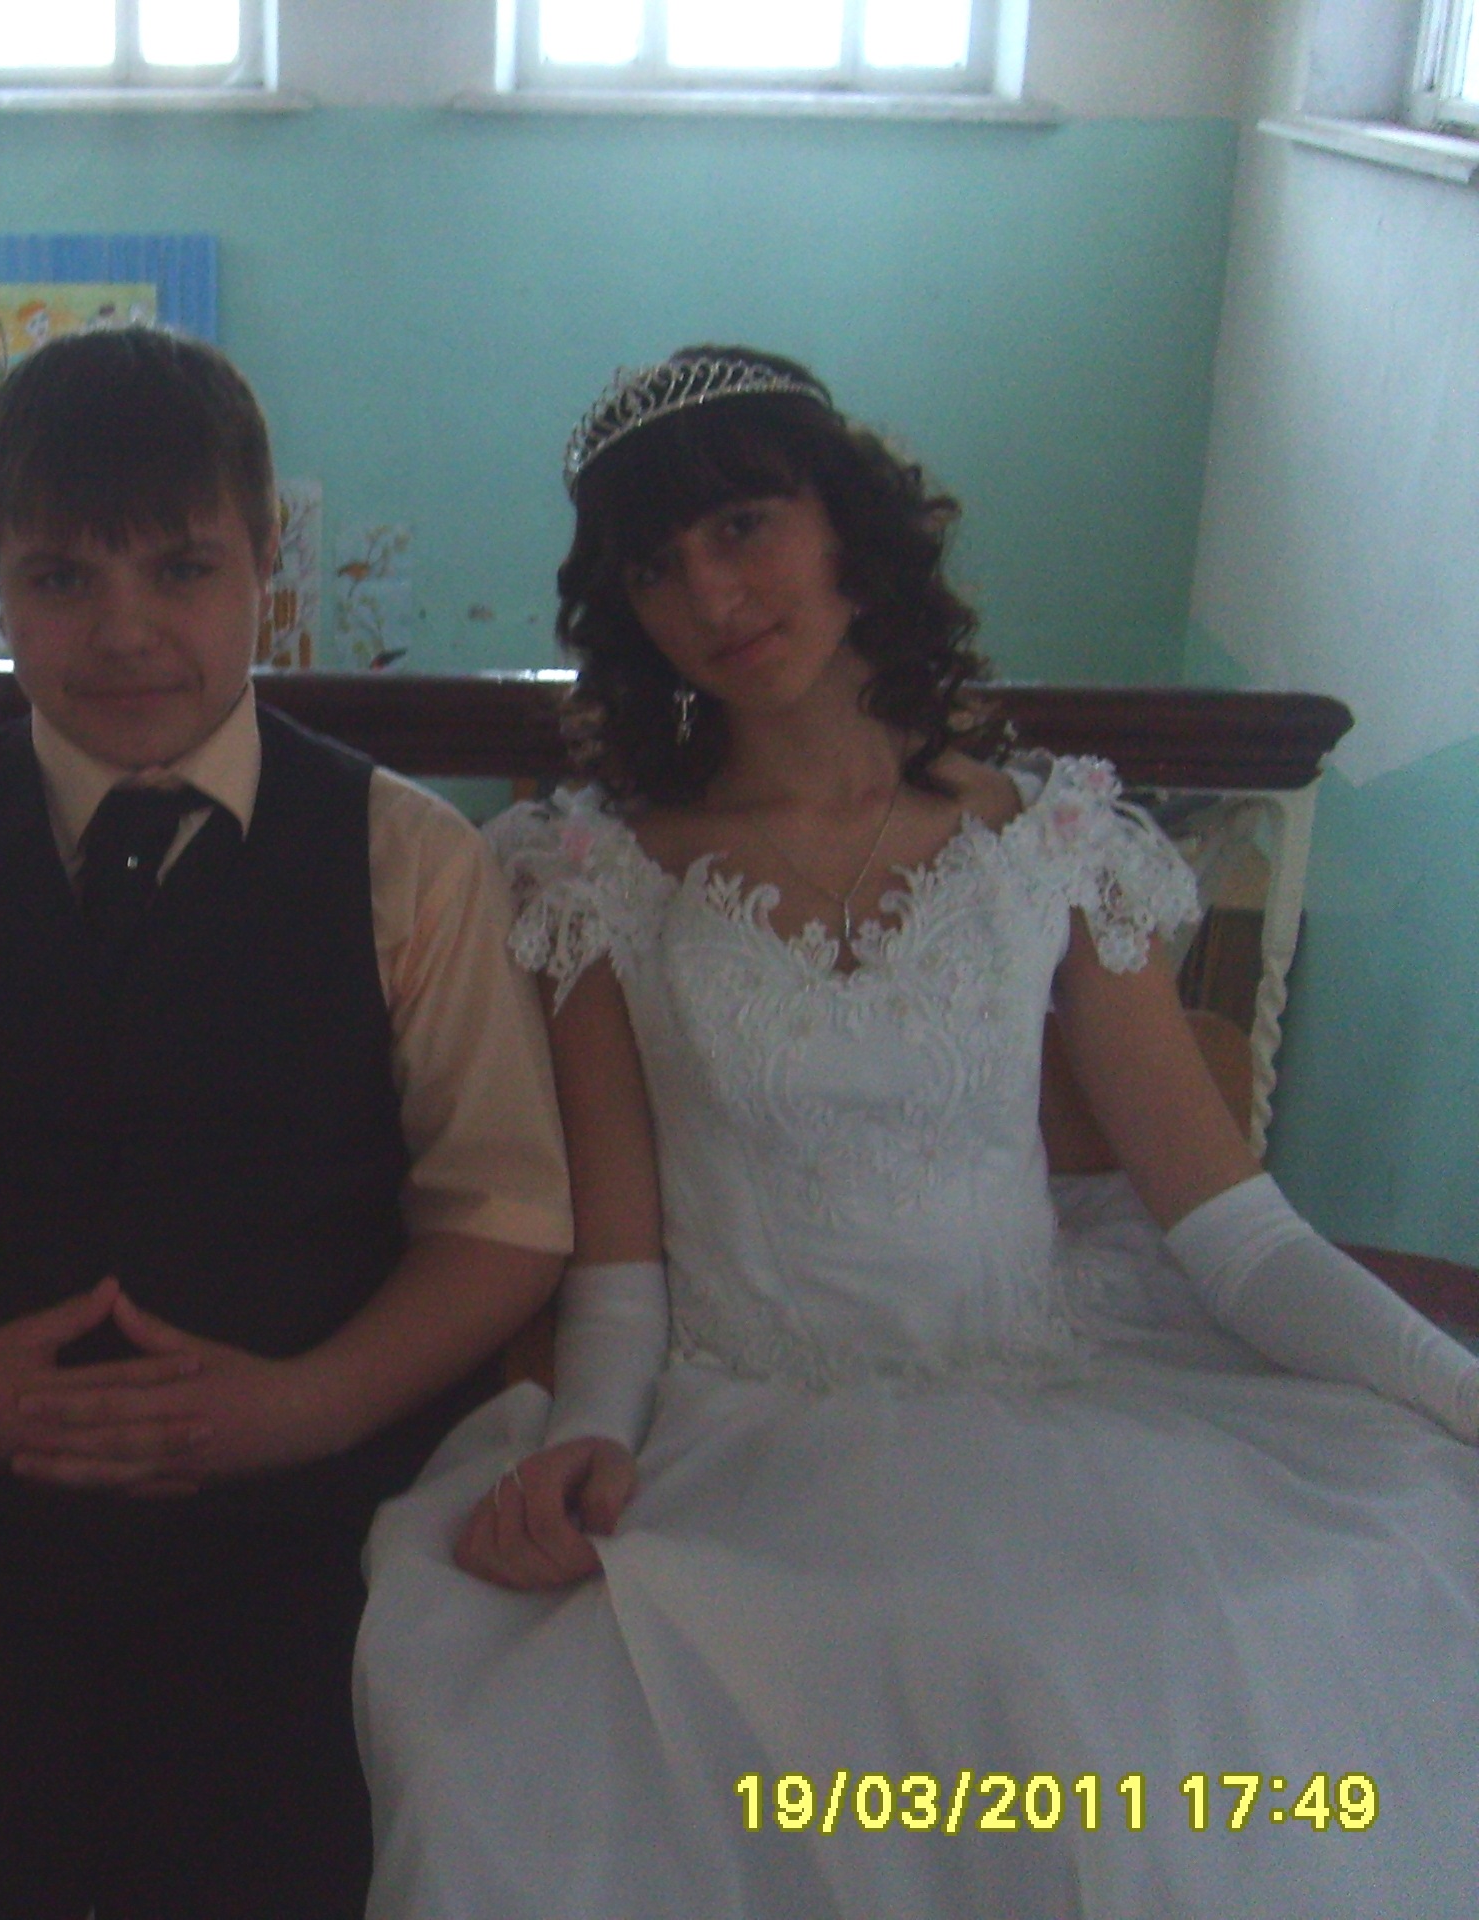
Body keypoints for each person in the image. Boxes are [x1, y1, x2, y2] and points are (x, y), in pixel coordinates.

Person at [355, 346, 1479, 1919]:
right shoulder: (595, 874)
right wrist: (587, 1436)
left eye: (744, 525)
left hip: (1055, 1402)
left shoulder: (1053, 839)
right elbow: (619, 1270)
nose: (713, 593)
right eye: (658, 567)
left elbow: (1235, 1231)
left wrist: (1454, 1389)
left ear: (849, 525)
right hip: (740, 1429)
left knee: (1177, 1656)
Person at [0, 325, 573, 1919]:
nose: (124, 632)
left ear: (265, 561)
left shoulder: (410, 863)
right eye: (59, 578)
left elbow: (502, 1214)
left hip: (308, 1539)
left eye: (181, 569)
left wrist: (303, 1407)